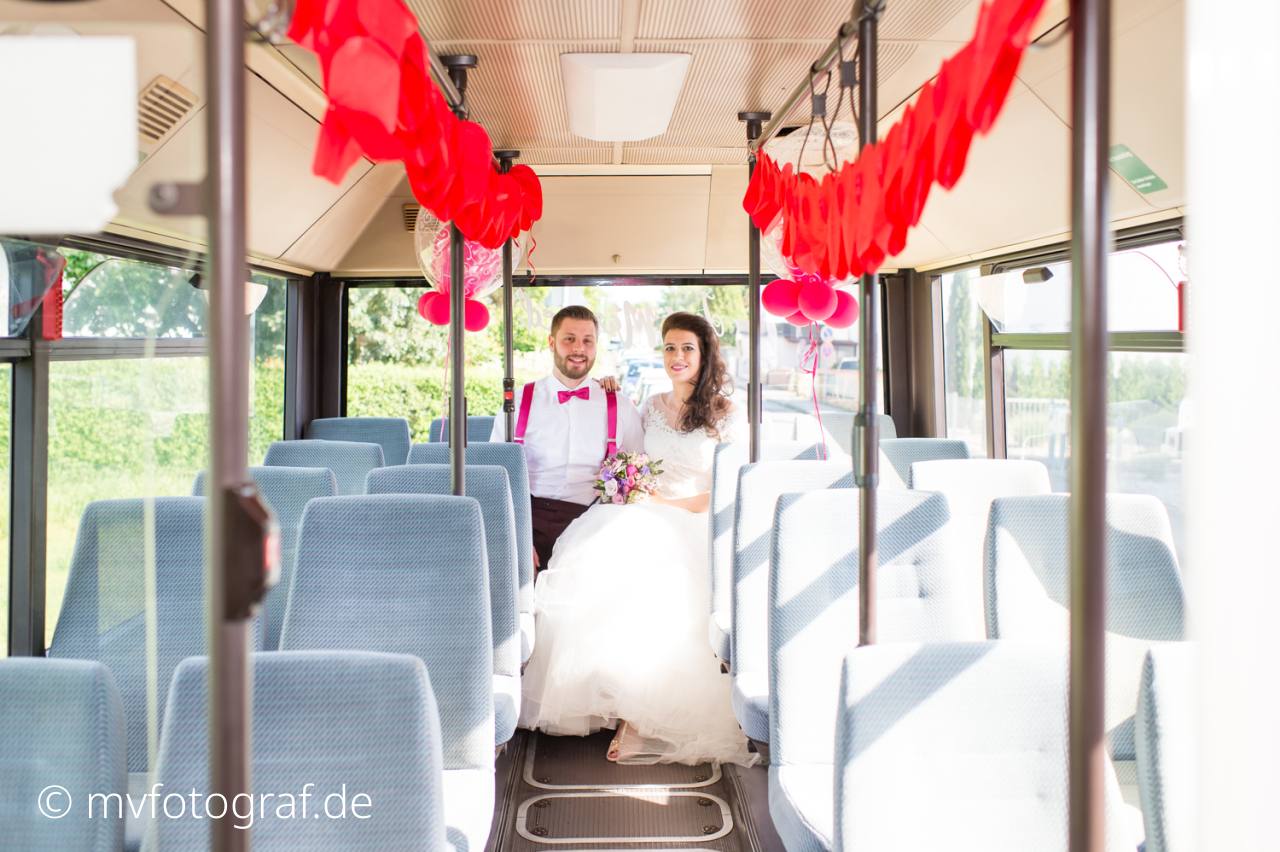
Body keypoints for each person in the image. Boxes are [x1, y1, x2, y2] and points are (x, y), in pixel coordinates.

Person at [519, 312, 755, 767]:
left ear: (704, 354)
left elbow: (729, 486)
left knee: (658, 575)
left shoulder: (727, 414)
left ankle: (643, 713)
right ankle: (612, 695)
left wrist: (663, 504)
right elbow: (631, 458)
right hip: (645, 512)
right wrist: (638, 492)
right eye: (669, 348)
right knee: (601, 563)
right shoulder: (648, 405)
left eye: (687, 348)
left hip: (694, 519)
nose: (677, 356)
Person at [490, 305, 644, 572]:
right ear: (552, 342)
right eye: (569, 339)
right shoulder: (517, 403)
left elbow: (637, 475)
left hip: (592, 528)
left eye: (587, 341)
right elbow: (495, 475)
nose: (578, 349)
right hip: (528, 523)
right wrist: (516, 539)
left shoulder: (619, 405)